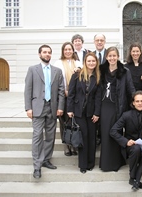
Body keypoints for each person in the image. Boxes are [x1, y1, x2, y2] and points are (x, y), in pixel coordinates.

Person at [24, 44, 65, 179]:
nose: (47, 54)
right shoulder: (32, 70)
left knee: (50, 136)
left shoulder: (57, 71)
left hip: (52, 108)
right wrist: (28, 108)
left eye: (49, 52)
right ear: (39, 54)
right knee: (37, 136)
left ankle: (46, 159)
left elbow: (60, 90)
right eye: (44, 52)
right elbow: (28, 90)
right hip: (37, 108)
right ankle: (37, 165)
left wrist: (60, 107)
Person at [110, 90, 142, 190]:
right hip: (132, 146)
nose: (140, 103)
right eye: (137, 101)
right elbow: (113, 131)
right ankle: (133, 178)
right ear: (133, 103)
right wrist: (126, 141)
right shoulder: (126, 115)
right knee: (137, 149)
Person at [99, 46, 135, 172]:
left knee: (116, 132)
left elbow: (130, 89)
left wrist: (136, 102)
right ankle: (106, 163)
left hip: (118, 106)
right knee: (105, 133)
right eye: (110, 56)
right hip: (104, 106)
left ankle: (116, 162)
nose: (112, 58)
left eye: (114, 55)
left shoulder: (125, 71)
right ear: (106, 57)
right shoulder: (102, 70)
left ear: (118, 56)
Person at [67, 52, 101, 173]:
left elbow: (98, 97)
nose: (91, 63)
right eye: (89, 61)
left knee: (92, 138)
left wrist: (97, 113)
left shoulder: (97, 77)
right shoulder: (77, 75)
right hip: (78, 112)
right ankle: (83, 165)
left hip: (91, 113)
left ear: (96, 63)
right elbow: (71, 94)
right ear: (85, 63)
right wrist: (69, 110)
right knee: (83, 137)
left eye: (93, 61)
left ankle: (91, 163)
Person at [54, 42, 81, 156]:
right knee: (64, 122)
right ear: (63, 51)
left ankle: (74, 144)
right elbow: (56, 81)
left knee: (74, 122)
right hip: (63, 96)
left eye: (70, 49)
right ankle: (66, 145)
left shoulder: (79, 63)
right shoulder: (58, 63)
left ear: (73, 50)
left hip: (76, 97)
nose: (68, 51)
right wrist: (64, 91)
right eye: (66, 49)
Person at [93, 34, 107, 146]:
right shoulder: (90, 55)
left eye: (101, 40)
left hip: (107, 90)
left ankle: (103, 137)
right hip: (94, 91)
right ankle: (96, 137)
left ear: (104, 41)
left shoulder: (110, 54)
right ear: (94, 42)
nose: (99, 42)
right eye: (97, 40)